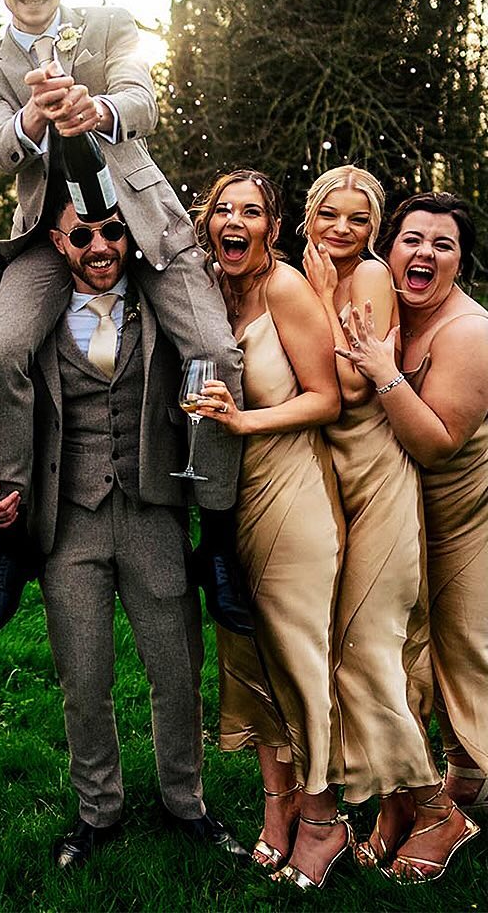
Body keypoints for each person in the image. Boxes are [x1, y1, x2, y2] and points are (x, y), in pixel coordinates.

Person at [0, 0, 246, 638]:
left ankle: (216, 538)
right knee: (0, 353)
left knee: (214, 353)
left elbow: (143, 100)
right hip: (50, 237)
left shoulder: (111, 23)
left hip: (144, 223)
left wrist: (98, 109)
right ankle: (13, 536)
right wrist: (33, 116)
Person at [0, 183, 248, 869]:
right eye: (82, 235)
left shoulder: (160, 304)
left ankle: (186, 802)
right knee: (84, 678)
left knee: (177, 671)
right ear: (57, 243)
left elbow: (210, 346)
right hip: (70, 523)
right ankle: (98, 810)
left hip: (153, 512)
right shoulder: (32, 319)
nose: (100, 247)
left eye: (113, 232)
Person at [191, 171, 349, 890]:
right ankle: (277, 804)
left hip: (291, 492)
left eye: (250, 211)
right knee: (247, 657)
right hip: (230, 497)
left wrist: (243, 421)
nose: (234, 220)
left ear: (272, 229)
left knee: (296, 657)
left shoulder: (284, 289)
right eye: (223, 208)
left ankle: (323, 820)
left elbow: (328, 397)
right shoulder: (208, 290)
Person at [299, 166, 441, 871]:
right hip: (333, 476)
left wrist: (327, 299)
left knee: (368, 644)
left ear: (375, 228)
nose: (342, 229)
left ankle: (437, 805)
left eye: (358, 219)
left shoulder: (371, 278)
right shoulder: (301, 271)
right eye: (331, 213)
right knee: (349, 646)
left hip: (379, 473)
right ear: (310, 214)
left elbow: (356, 385)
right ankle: (395, 807)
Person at [339, 192, 483, 883]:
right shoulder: (387, 311)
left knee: (465, 657)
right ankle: (411, 800)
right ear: (389, 248)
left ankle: (451, 800)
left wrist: (383, 372)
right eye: (412, 239)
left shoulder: (470, 333)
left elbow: (438, 443)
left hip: (465, 519)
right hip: (403, 513)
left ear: (461, 262)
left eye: (443, 244)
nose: (424, 252)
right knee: (400, 660)